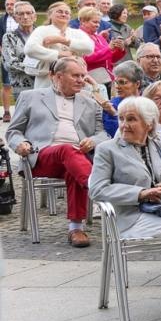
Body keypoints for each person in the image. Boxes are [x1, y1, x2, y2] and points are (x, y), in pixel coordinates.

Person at [88, 94, 161, 271]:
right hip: (130, 217)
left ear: (149, 124)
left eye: (131, 119)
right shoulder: (107, 150)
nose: (124, 125)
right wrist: (140, 194)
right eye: (121, 119)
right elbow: (97, 189)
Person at [6, 57, 106, 246]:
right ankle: (101, 189)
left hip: (77, 160)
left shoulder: (90, 102)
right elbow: (13, 131)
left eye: (83, 76)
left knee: (74, 167)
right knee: (67, 150)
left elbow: (102, 135)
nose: (81, 80)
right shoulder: (31, 96)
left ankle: (76, 229)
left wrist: (92, 141)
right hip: (42, 156)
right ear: (58, 77)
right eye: (75, 75)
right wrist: (20, 143)